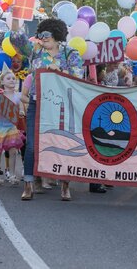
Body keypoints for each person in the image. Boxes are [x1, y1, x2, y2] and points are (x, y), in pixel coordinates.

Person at [12, 18, 86, 201]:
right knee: (31, 145)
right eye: (40, 35)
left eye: (47, 35)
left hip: (62, 105)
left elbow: (78, 75)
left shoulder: (71, 54)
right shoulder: (35, 53)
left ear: (57, 35)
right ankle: (28, 184)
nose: (42, 38)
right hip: (37, 104)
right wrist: (15, 20)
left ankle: (65, 185)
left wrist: (59, 69)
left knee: (64, 143)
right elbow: (18, 41)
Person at [0, 69, 25, 186]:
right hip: (0, 127)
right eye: (8, 78)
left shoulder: (18, 96)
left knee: (13, 151)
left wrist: (21, 112)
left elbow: (21, 108)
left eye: (13, 78)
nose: (12, 80)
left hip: (12, 128)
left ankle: (12, 174)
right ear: (2, 82)